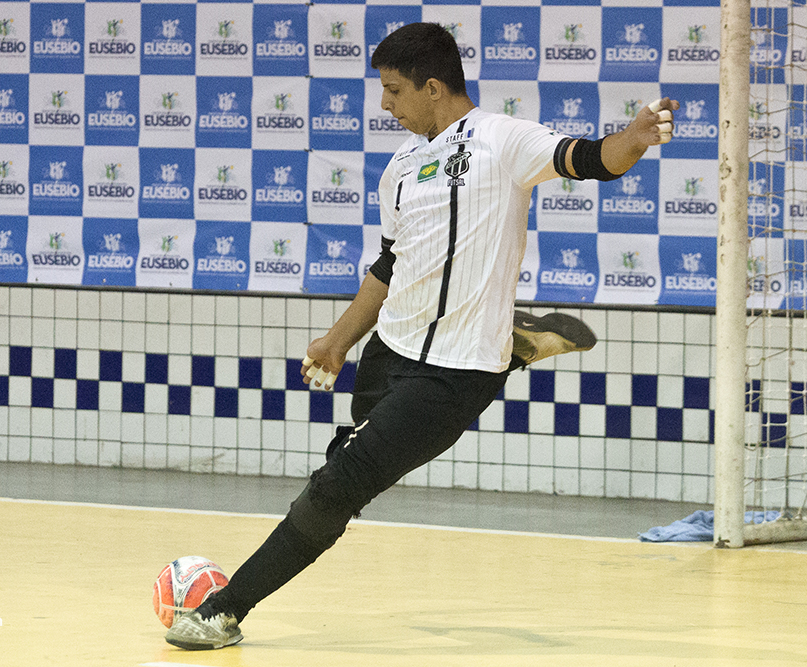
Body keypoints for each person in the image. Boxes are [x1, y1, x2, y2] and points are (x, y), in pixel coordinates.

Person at [165, 22, 679, 650]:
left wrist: (634, 137)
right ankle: (513, 344)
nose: (386, 106)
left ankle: (223, 611)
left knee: (338, 486)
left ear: (433, 87)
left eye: (393, 91)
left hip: (453, 375)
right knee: (342, 470)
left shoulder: (502, 140)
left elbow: (591, 158)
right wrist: (338, 339)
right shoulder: (403, 166)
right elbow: (389, 264)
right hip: (391, 350)